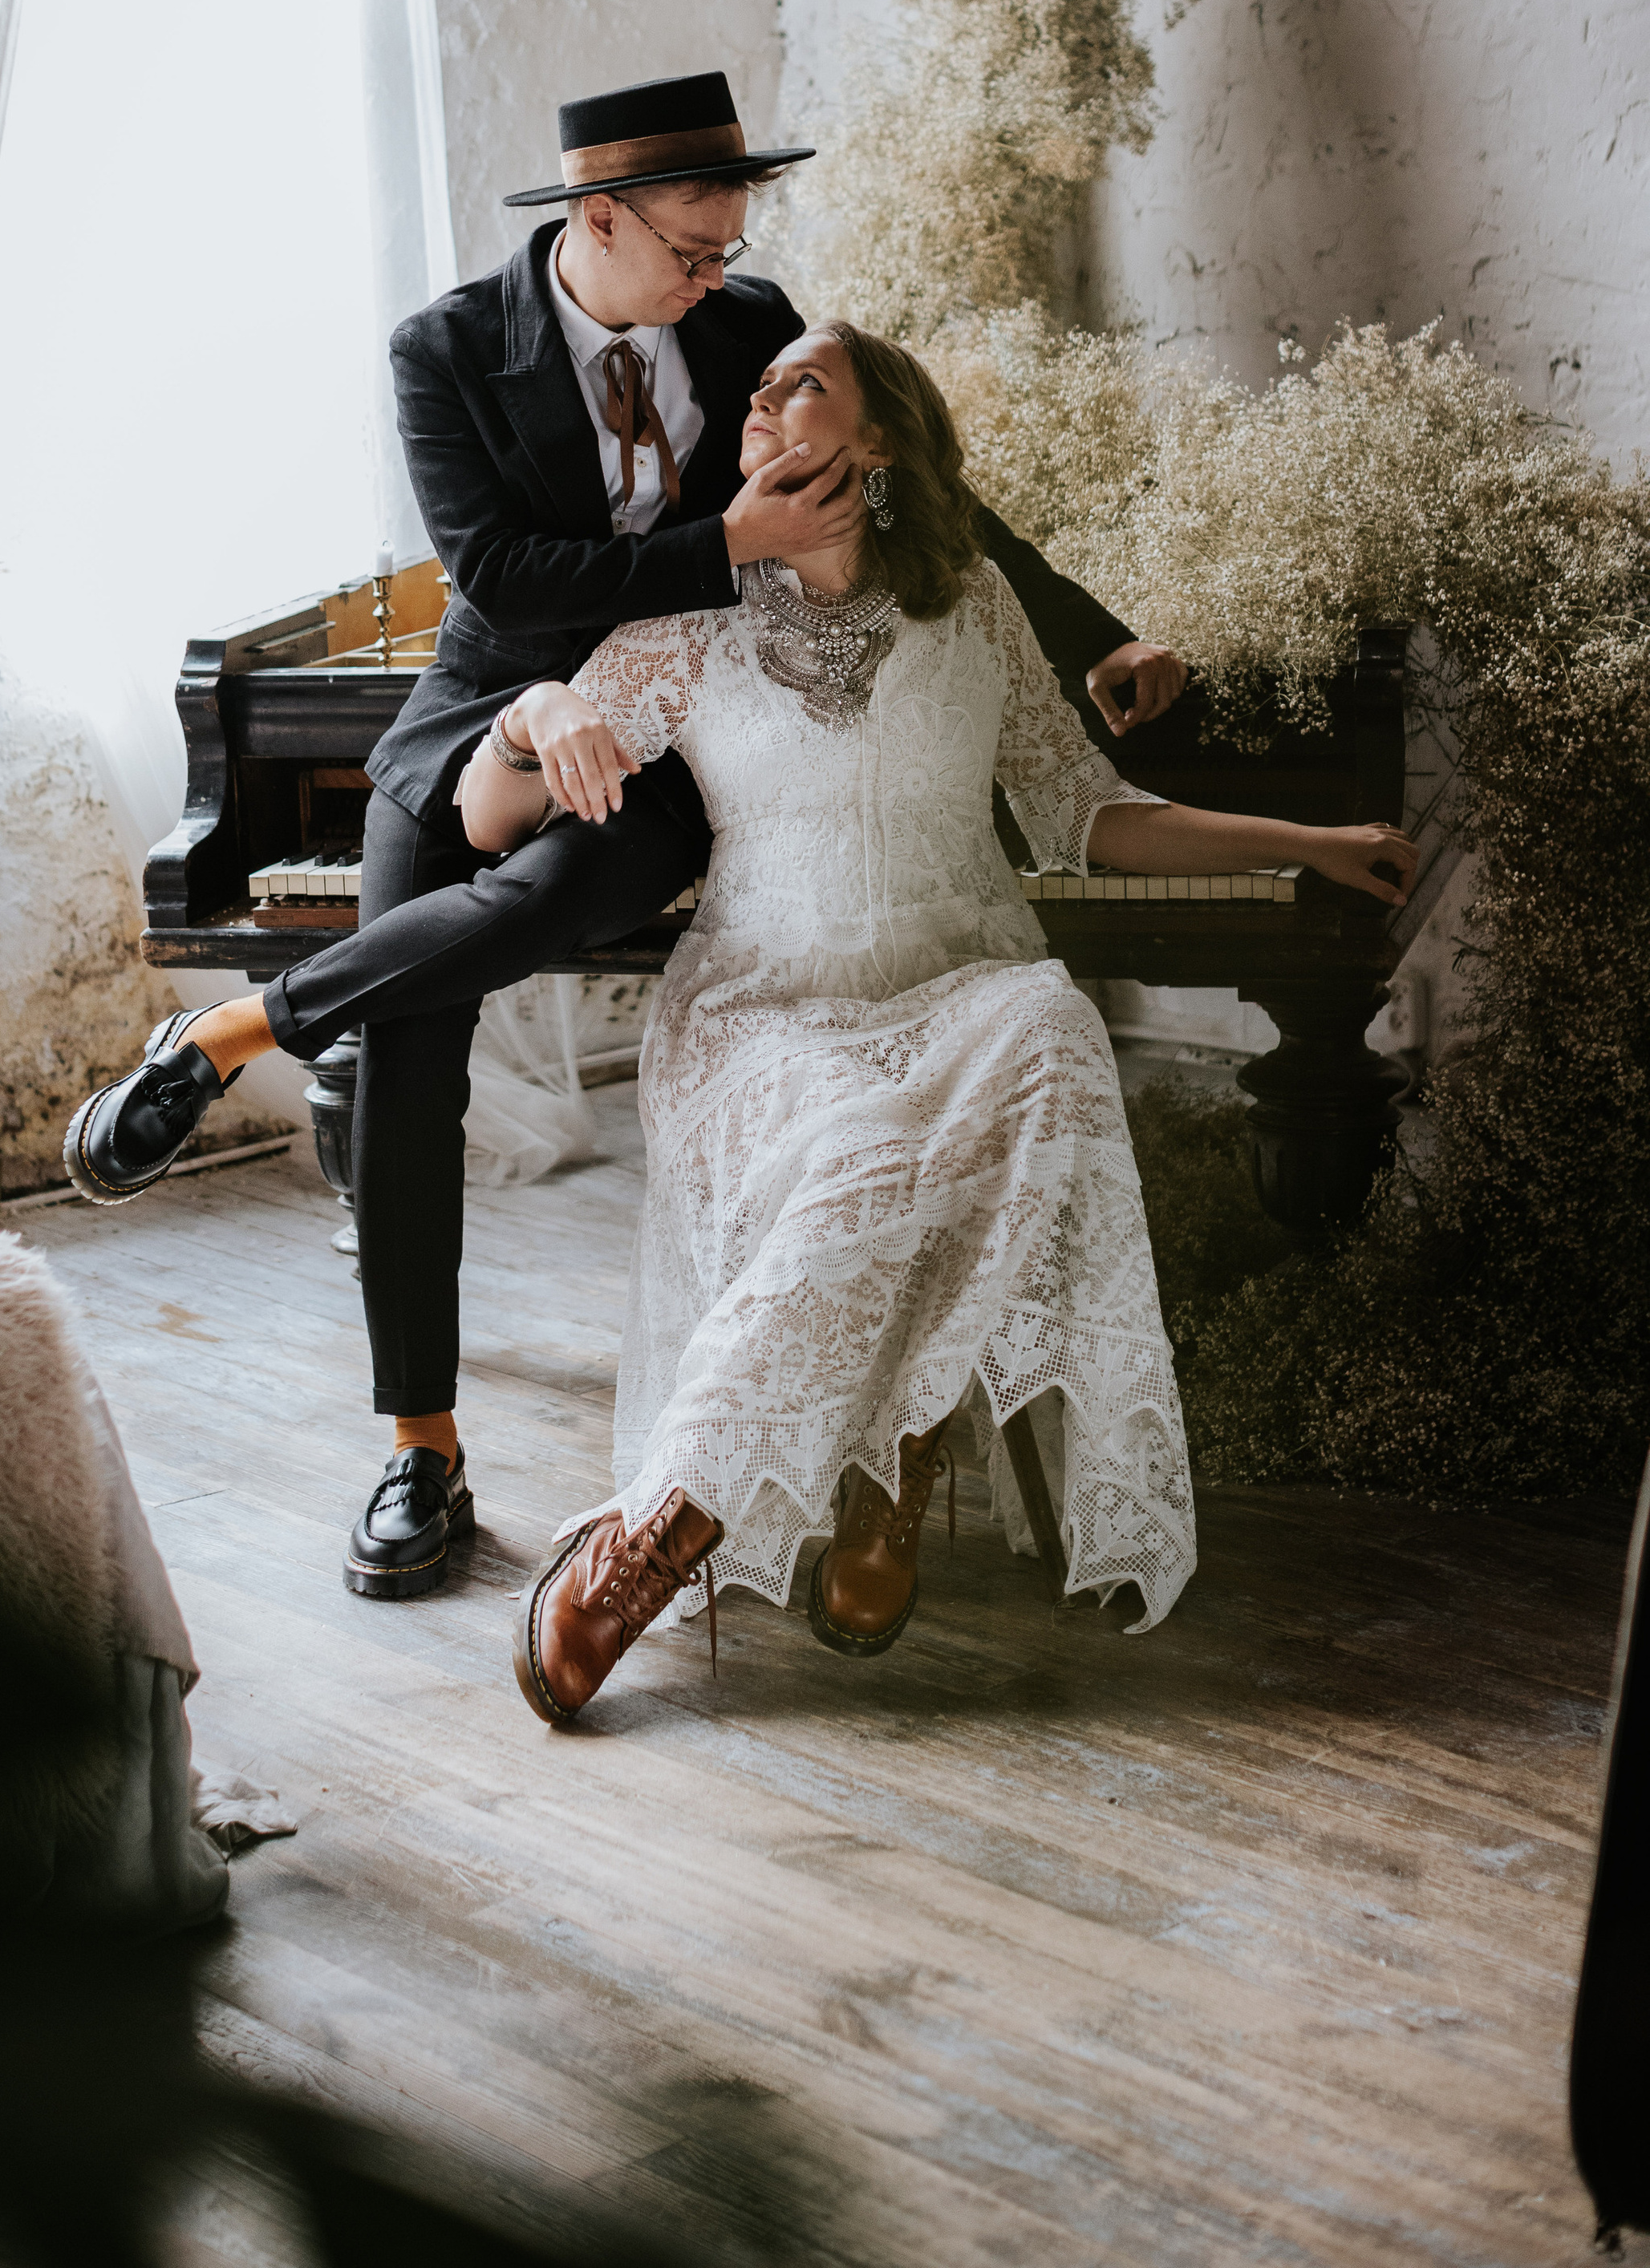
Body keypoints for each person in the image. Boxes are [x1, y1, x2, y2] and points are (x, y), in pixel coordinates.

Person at [62, 74, 1190, 1606]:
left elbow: (928, 492)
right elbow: (505, 574)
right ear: (598, 220)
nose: (719, 278)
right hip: (487, 709)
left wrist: (1103, 640)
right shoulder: (447, 351)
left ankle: (242, 1028)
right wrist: (722, 551)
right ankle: (419, 1451)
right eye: (692, 251)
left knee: (553, 895)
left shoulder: (747, 326)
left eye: (731, 248)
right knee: (414, 1034)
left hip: (659, 720)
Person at [452, 323, 1418, 1725]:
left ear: (883, 439)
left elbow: (1088, 815)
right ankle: (666, 1525)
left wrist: (1306, 842)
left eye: (804, 381)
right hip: (763, 1015)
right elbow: (489, 818)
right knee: (867, 1156)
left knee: (1047, 1030)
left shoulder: (969, 606)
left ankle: (891, 1452)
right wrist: (539, 710)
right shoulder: (691, 617)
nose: (764, 396)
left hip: (954, 987)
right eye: (760, 386)